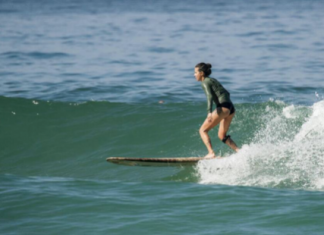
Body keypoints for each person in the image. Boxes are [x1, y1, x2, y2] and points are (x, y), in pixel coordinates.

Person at [194, 62, 239, 159]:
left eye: (195, 72)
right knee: (222, 135)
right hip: (230, 107)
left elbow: (209, 96)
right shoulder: (213, 80)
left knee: (203, 130)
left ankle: (211, 153)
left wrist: (209, 112)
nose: (194, 75)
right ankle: (239, 151)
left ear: (201, 73)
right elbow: (227, 92)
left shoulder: (205, 82)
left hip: (223, 107)